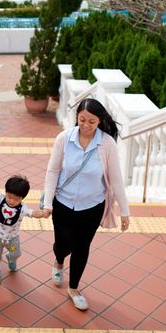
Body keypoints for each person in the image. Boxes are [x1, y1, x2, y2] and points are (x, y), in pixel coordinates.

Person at [40, 98, 130, 311]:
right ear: (77, 117)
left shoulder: (107, 143)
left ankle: (73, 288)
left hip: (92, 207)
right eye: (82, 120)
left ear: (99, 121)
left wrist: (124, 212)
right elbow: (53, 171)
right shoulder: (64, 138)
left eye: (92, 121)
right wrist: (48, 201)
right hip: (62, 204)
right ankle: (59, 260)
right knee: (62, 244)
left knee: (82, 246)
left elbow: (116, 178)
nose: (86, 125)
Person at [0, 174, 44, 284]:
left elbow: (33, 213)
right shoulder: (0, 199)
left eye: (16, 199)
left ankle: (11, 258)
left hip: (11, 239)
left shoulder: (22, 208)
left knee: (16, 253)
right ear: (6, 192)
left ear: (22, 198)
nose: (12, 201)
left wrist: (43, 213)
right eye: (9, 196)